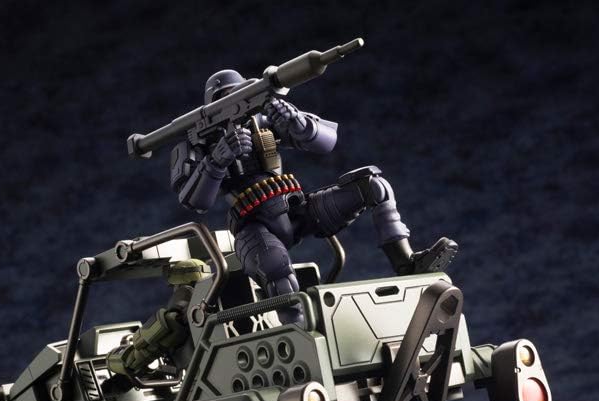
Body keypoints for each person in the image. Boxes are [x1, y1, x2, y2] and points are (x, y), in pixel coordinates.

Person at [169, 69, 458, 323]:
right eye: (228, 98)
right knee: (276, 270)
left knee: (374, 186)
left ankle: (407, 263)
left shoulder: (261, 122)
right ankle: (299, 333)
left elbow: (326, 141)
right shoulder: (198, 143)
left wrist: (295, 120)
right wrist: (217, 160)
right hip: (253, 226)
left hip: (297, 209)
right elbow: (194, 201)